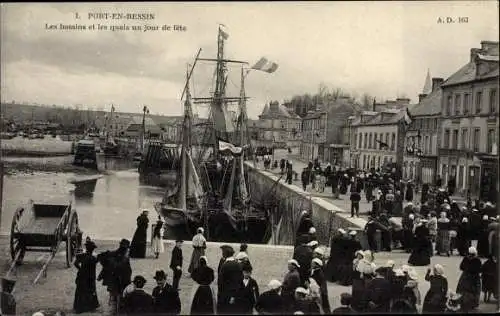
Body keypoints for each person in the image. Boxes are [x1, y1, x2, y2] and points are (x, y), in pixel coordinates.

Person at [97, 238, 132, 315]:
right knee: (119, 299)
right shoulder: (125, 259)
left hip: (112, 282)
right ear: (126, 249)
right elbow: (128, 272)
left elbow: (100, 256)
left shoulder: (113, 254)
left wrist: (106, 269)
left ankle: (113, 312)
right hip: (121, 282)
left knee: (113, 298)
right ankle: (117, 312)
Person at [73, 237, 99, 314]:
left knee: (80, 291)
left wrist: (80, 269)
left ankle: (78, 307)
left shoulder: (82, 256)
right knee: (90, 291)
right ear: (93, 249)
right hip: (90, 277)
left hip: (82, 276)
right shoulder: (93, 258)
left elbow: (75, 263)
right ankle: (89, 306)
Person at [217, 246, 244, 314]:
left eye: (223, 252)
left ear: (225, 254)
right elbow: (241, 279)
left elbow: (220, 282)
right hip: (236, 294)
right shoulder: (238, 264)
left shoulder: (225, 265)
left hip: (225, 295)